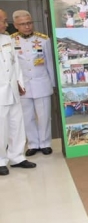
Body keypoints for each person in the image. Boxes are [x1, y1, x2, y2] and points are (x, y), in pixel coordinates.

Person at [12, 10, 56, 156]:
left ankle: (45, 143)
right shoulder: (10, 41)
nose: (27, 26)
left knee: (44, 115)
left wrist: (53, 83)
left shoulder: (43, 40)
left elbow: (49, 63)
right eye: (23, 24)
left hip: (41, 82)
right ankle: (32, 144)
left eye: (29, 23)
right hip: (22, 85)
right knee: (27, 116)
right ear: (16, 25)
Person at [0, 22, 37, 175]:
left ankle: (17, 157)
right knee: (1, 128)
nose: (5, 23)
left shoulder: (7, 39)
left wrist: (20, 83)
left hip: (13, 90)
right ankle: (1, 160)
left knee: (17, 124)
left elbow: (15, 65)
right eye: (2, 20)